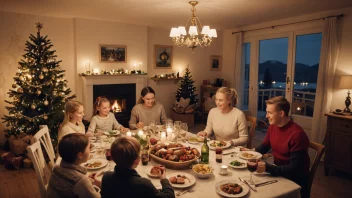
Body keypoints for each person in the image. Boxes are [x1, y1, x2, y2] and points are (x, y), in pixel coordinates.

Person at [255, 96, 310, 198]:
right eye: (267, 112)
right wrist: (250, 153)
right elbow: (264, 146)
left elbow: (295, 169)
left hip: (294, 180)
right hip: (279, 172)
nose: (266, 116)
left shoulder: (297, 135)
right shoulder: (273, 126)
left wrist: (268, 168)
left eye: (270, 113)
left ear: (281, 113)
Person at [100, 136, 175, 198]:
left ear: (112, 157)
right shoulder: (143, 184)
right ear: (137, 160)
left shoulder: (106, 177)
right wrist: (164, 179)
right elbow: (169, 196)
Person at [47, 133, 101, 198]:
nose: (90, 150)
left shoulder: (56, 168)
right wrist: (99, 186)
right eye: (89, 148)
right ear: (80, 155)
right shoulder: (81, 181)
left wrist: (86, 181)